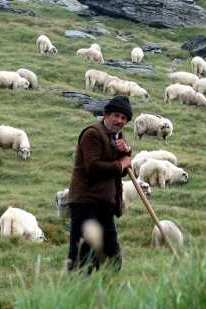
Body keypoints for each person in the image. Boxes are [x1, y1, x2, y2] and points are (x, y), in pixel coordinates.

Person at [67, 96, 133, 273]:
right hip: (86, 202)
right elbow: (93, 167)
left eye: (124, 118)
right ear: (106, 114)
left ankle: (111, 294)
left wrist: (125, 153)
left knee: (112, 255)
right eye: (116, 115)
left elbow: (123, 171)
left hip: (105, 204)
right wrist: (121, 163)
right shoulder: (92, 134)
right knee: (83, 257)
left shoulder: (117, 137)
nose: (119, 121)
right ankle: (77, 296)